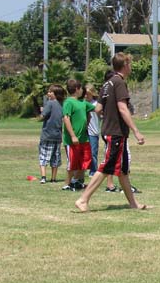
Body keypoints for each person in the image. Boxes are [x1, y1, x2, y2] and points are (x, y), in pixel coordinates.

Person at [75, 53, 146, 212]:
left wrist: (108, 115)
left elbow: (98, 109)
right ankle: (83, 199)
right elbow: (123, 108)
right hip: (116, 132)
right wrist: (136, 131)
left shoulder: (107, 84)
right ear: (125, 65)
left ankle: (133, 203)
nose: (131, 67)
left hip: (109, 129)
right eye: (129, 64)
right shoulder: (119, 82)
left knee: (122, 170)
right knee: (107, 166)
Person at [62, 79, 95, 191]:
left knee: (85, 161)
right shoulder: (68, 102)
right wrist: (72, 136)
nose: (82, 91)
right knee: (73, 163)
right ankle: (67, 184)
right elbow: (66, 118)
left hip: (84, 138)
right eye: (81, 88)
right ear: (77, 89)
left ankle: (77, 181)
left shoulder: (83, 103)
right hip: (72, 140)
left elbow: (96, 108)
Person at [38, 84, 65, 184]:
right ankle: (53, 178)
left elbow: (42, 116)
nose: (48, 93)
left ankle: (43, 177)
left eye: (50, 92)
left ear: (55, 94)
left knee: (43, 156)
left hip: (47, 134)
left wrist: (41, 113)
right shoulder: (62, 104)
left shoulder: (50, 103)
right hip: (57, 136)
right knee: (55, 157)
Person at [85, 85, 100, 177]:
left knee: (93, 152)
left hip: (93, 131)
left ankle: (93, 170)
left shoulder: (96, 104)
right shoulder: (82, 103)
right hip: (83, 131)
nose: (86, 96)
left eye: (88, 94)